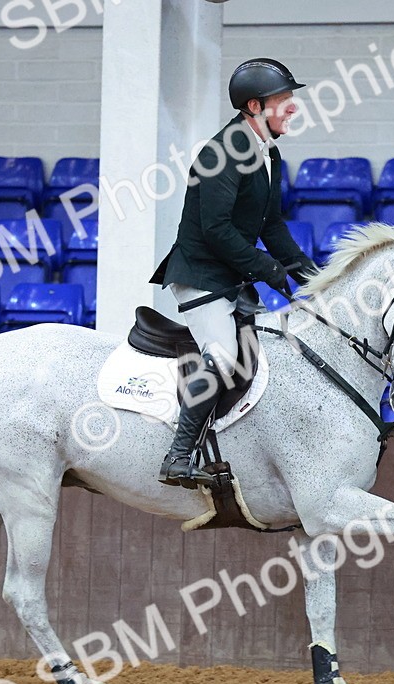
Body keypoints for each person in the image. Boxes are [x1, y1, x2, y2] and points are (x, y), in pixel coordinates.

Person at [149, 58, 320, 488]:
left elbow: (271, 226)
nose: (293, 108)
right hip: (201, 273)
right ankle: (178, 455)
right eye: (284, 100)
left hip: (231, 275)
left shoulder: (268, 153)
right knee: (223, 355)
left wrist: (312, 277)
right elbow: (216, 229)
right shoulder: (221, 151)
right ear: (254, 105)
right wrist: (267, 268)